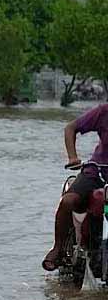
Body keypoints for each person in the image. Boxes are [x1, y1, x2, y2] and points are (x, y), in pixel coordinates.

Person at [43, 104, 108, 271]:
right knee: (68, 201)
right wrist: (73, 157)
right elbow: (71, 127)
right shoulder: (103, 112)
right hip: (97, 172)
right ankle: (58, 249)